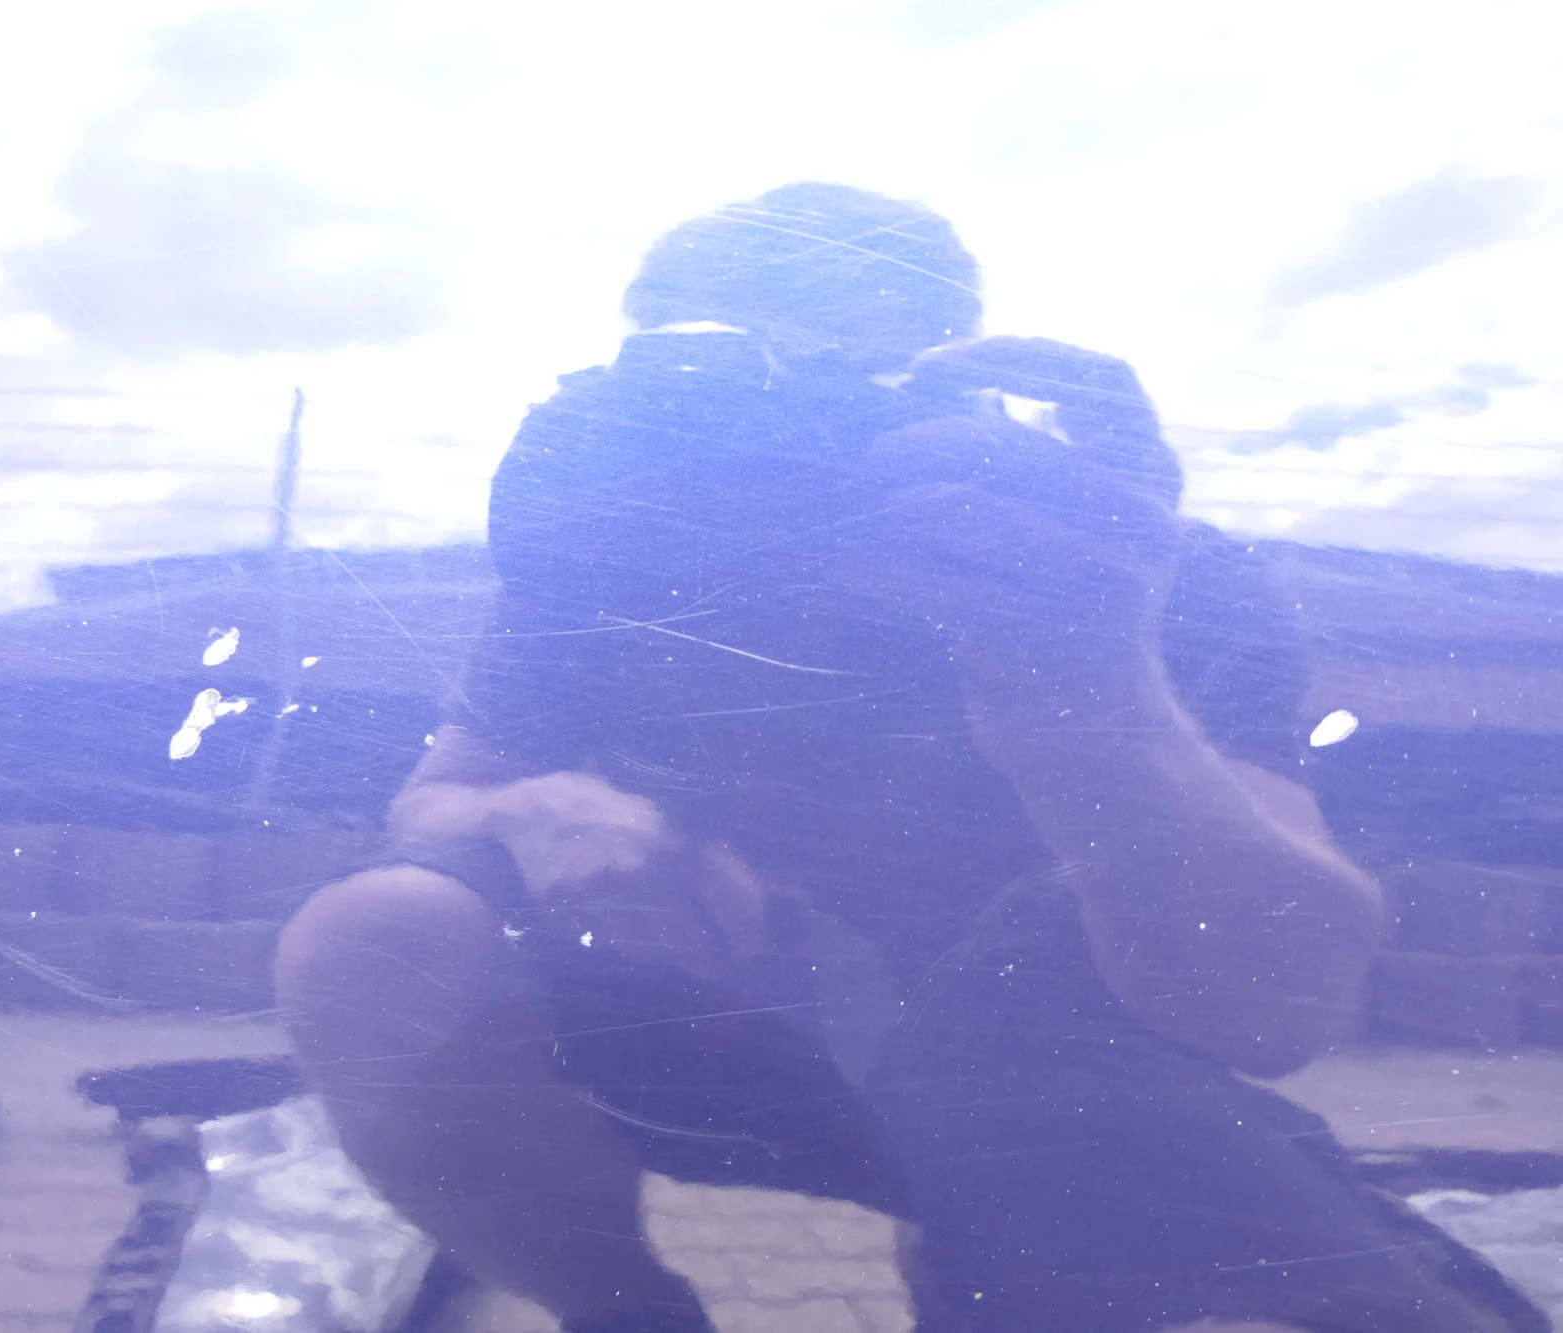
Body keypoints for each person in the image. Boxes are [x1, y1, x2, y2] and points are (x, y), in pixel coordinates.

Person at [275, 184, 1545, 1333]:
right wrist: (536, 806)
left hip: (1059, 1079)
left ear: (957, 377)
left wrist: (1090, 677)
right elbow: (432, 801)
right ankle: (638, 1313)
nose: (765, 421)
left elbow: (1269, 1010)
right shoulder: (609, 570)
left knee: (1074, 1137)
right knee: (376, 934)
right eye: (704, 371)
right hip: (701, 1024)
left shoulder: (1117, 568)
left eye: (836, 373)